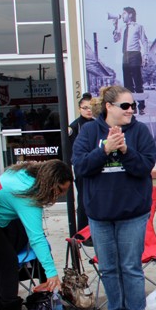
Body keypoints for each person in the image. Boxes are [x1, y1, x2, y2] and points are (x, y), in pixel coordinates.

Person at [72, 85, 156, 310]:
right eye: (125, 106)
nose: (132, 110)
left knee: (130, 267)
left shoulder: (140, 132)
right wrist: (105, 149)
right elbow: (81, 166)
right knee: (109, 268)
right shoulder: (89, 131)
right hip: (100, 214)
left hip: (132, 212)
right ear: (109, 107)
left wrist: (125, 150)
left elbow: (145, 167)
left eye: (133, 106)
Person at [0, 160, 72, 310]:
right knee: (9, 263)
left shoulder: (24, 173)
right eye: (60, 191)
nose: (59, 197)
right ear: (50, 183)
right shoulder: (27, 196)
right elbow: (37, 238)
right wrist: (51, 273)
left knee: (4, 261)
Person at [113, 7, 150, 115]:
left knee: (137, 81)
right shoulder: (122, 27)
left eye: (124, 13)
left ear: (130, 15)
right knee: (127, 83)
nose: (122, 15)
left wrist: (145, 55)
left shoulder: (138, 27)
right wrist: (115, 26)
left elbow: (144, 41)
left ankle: (141, 106)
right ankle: (132, 107)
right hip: (125, 55)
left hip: (135, 54)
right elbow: (116, 39)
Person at [68, 92, 95, 232]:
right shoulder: (74, 127)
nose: (88, 110)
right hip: (82, 170)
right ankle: (83, 232)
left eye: (91, 107)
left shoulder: (97, 124)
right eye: (85, 108)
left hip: (96, 168)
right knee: (84, 201)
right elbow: (72, 152)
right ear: (79, 109)